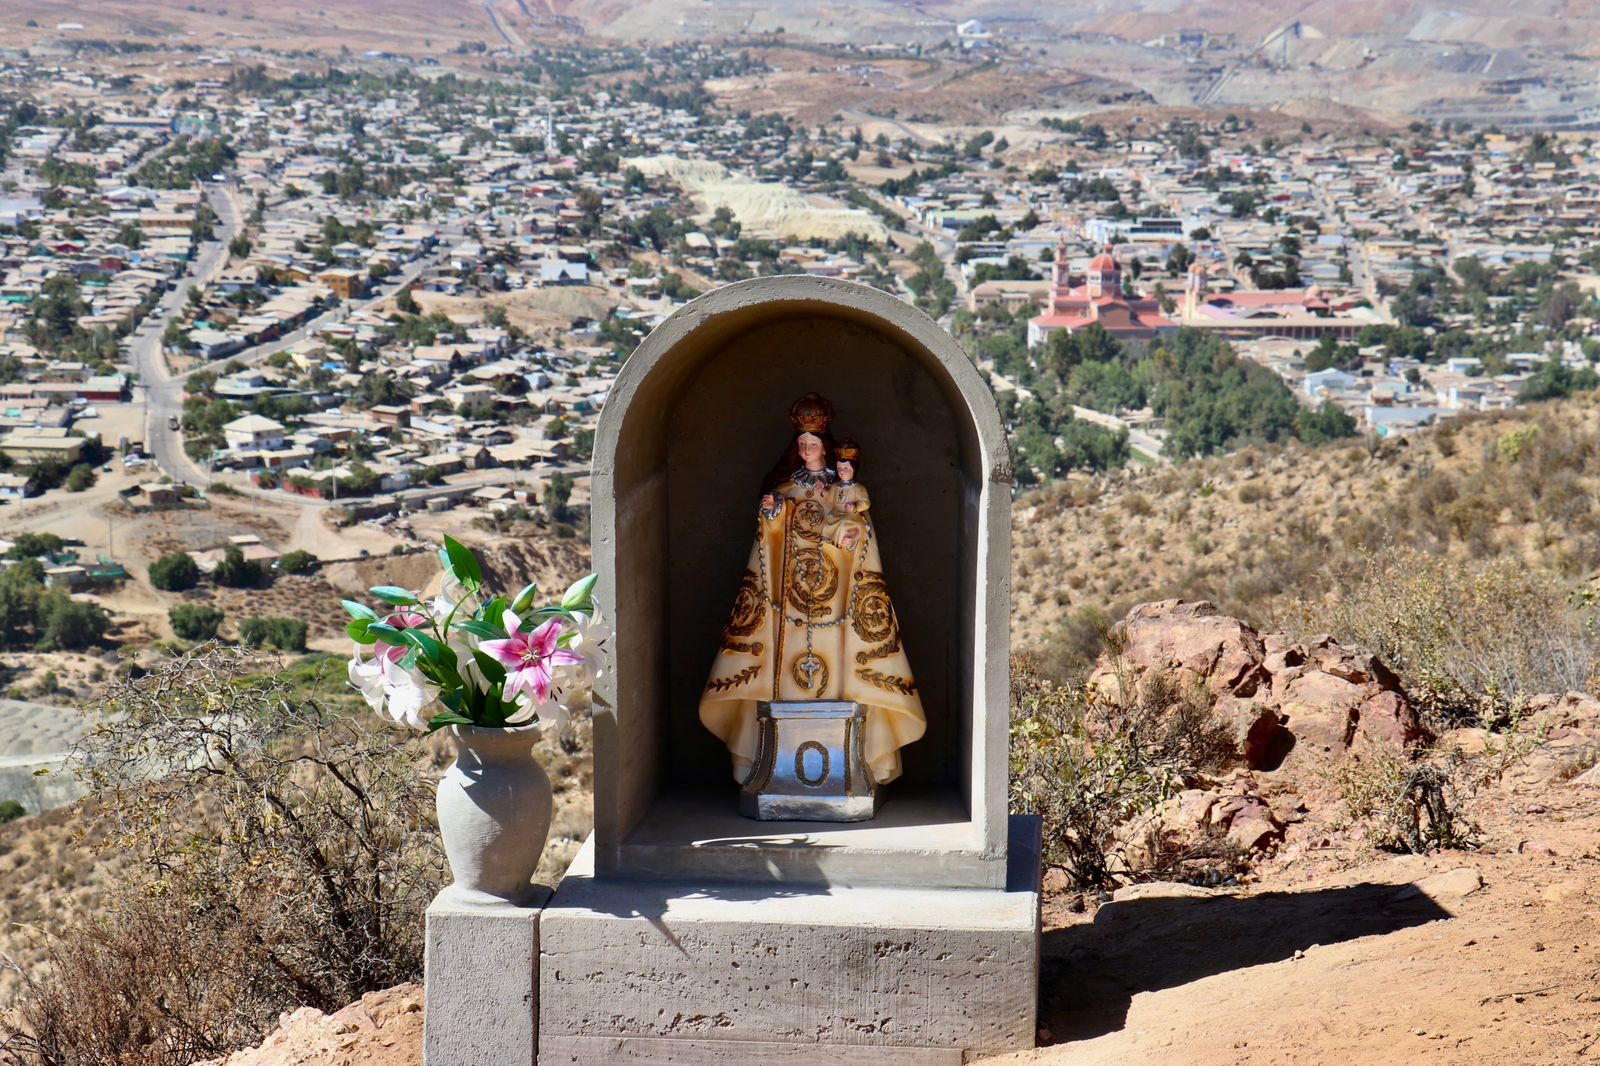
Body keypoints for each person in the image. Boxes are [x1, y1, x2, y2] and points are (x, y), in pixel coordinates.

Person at [699, 394, 926, 787]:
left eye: (813, 444)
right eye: (802, 444)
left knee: (839, 664)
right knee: (782, 667)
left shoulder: (845, 490)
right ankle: (769, 758)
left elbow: (861, 533)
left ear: (825, 447)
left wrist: (848, 532)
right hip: (789, 601)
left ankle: (853, 758)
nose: (807, 449)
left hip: (836, 600)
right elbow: (769, 533)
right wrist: (772, 513)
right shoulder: (787, 487)